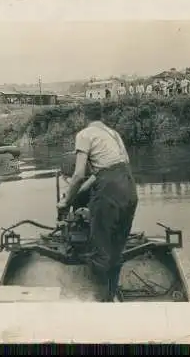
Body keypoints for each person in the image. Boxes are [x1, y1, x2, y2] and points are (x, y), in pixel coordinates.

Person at [57, 102, 138, 302]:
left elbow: (78, 175)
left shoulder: (85, 135)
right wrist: (77, 193)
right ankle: (112, 292)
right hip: (129, 188)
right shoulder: (114, 134)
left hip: (109, 191)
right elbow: (106, 170)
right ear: (102, 115)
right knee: (117, 246)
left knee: (100, 248)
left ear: (83, 115)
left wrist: (66, 201)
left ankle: (102, 303)